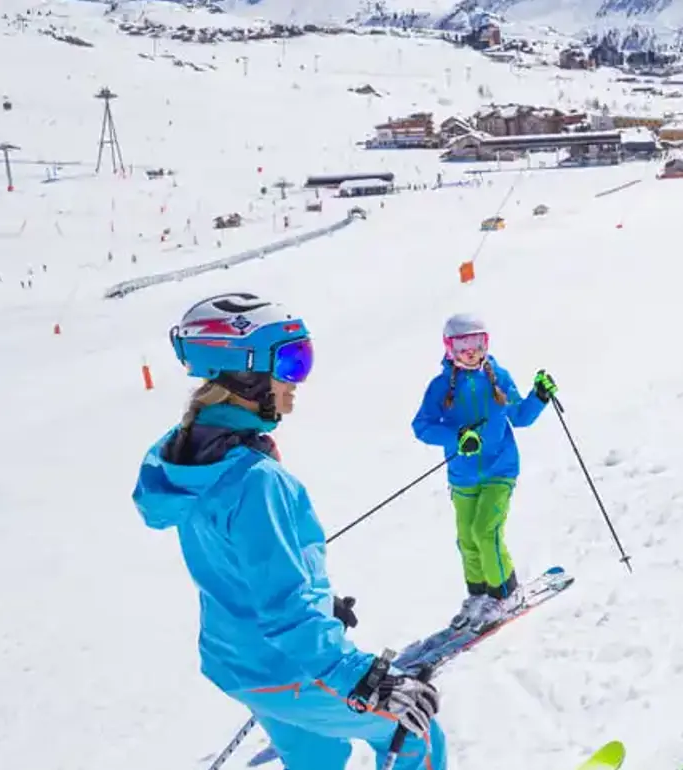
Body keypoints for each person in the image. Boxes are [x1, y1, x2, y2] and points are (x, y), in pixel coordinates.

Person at [133, 292, 446, 770]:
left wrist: (320, 605)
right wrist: (359, 677)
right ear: (244, 373)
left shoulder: (191, 462)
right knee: (414, 729)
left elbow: (247, 569)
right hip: (286, 665)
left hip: (240, 661)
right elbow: (285, 612)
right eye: (292, 363)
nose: (297, 382)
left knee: (317, 754)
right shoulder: (256, 480)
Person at [412, 313, 557, 631]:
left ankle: (505, 592)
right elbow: (421, 427)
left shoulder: (497, 376)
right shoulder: (440, 388)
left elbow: (518, 416)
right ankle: (479, 595)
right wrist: (456, 437)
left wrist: (539, 396)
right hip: (463, 476)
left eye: (479, 343)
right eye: (463, 345)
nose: (472, 351)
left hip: (500, 469)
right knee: (467, 537)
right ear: (449, 348)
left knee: (485, 531)